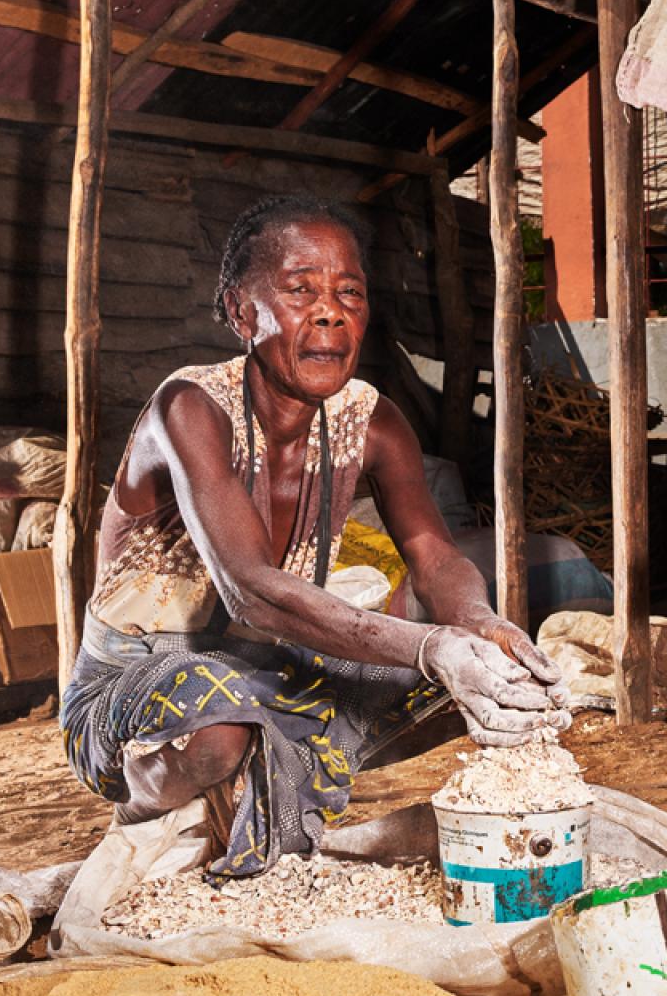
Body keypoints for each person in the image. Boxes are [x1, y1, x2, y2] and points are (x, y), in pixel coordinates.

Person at [60, 195, 567, 877]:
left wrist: (475, 623)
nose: (330, 311)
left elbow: (433, 554)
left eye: (348, 292)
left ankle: (269, 766)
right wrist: (432, 645)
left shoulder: (374, 423)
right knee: (219, 728)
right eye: (300, 289)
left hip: (262, 668)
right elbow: (253, 598)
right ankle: (147, 809)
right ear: (242, 312)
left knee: (488, 683)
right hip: (135, 686)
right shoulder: (189, 409)